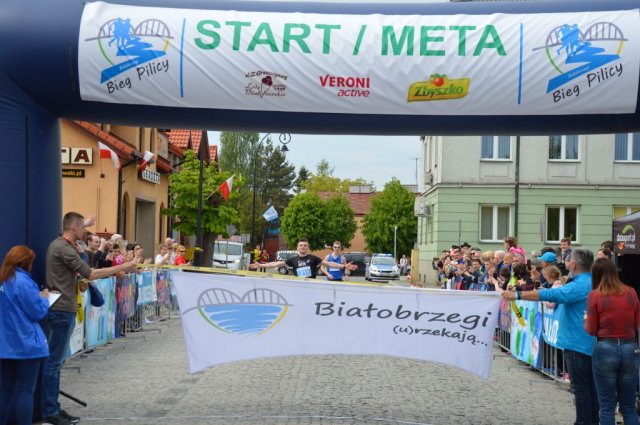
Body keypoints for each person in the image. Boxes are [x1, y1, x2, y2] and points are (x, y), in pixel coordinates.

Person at [41, 212, 137, 425]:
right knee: (54, 363)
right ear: (74, 227)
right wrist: (123, 267)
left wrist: (77, 281)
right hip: (62, 309)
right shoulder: (64, 248)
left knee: (56, 362)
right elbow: (90, 274)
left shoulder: (62, 245)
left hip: (63, 307)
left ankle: (53, 407)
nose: (85, 231)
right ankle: (49, 410)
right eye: (82, 227)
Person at [502, 248, 598, 425]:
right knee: (590, 388)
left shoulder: (580, 284)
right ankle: (591, 420)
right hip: (587, 341)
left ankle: (584, 422)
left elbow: (552, 294)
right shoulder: (592, 281)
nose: (567, 263)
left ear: (574, 264)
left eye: (569, 260)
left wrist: (518, 295)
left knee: (581, 389)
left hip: (577, 343)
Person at [584, 258, 640, 425]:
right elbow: (636, 324)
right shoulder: (631, 292)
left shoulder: (595, 295)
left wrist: (585, 320)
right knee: (629, 406)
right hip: (630, 346)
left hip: (605, 347)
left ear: (596, 275)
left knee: (607, 406)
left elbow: (591, 329)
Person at [0, 246, 49, 425]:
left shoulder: (3, 280)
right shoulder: (23, 282)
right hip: (27, 342)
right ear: (26, 262)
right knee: (26, 390)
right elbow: (37, 312)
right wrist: (44, 298)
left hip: (6, 343)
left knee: (5, 389)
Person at [249, 238, 356, 279]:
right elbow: (276, 264)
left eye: (305, 245)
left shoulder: (313, 258)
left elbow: (330, 264)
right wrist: (261, 265)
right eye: (301, 245)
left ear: (308, 247)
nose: (303, 247)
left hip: (312, 288)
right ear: (297, 248)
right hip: (299, 287)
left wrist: (344, 266)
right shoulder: (293, 260)